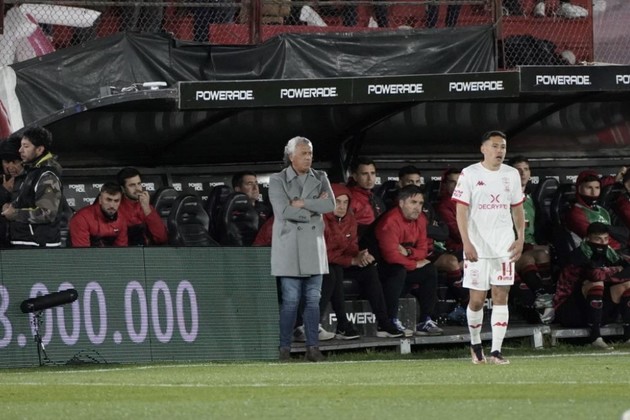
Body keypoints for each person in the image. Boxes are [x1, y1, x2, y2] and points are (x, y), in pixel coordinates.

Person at [453, 130, 525, 365]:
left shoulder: (511, 174)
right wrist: (466, 242)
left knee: (501, 295)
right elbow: (461, 210)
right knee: (477, 299)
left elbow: (517, 208)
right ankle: (475, 345)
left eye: (503, 146)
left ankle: (496, 351)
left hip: (504, 245)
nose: (499, 151)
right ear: (483, 149)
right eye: (495, 146)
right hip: (477, 246)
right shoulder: (470, 173)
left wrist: (520, 238)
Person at [269, 136, 335, 362]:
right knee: (290, 300)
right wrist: (314, 209)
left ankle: (313, 348)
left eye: (310, 153)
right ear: (291, 156)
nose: (308, 158)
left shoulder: (321, 177)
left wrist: (303, 203)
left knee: (313, 300)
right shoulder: (277, 180)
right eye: (303, 154)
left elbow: (330, 205)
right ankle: (284, 349)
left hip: (314, 247)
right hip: (289, 248)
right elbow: (283, 211)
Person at [322, 183, 403, 339]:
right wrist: (352, 260)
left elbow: (351, 247)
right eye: (337, 202)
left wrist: (361, 256)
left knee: (369, 269)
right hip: (325, 264)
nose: (342, 206)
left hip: (342, 261)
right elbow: (322, 255)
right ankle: (342, 325)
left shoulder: (350, 219)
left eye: (345, 202)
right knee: (334, 270)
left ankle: (383, 323)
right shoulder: (320, 219)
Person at [375, 184, 443, 337]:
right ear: (401, 203)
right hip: (380, 267)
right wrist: (414, 263)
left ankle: (425, 320)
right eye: (413, 202)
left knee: (429, 270)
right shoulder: (390, 221)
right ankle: (389, 321)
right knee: (397, 270)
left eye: (420, 203)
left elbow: (423, 249)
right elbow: (391, 256)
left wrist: (408, 252)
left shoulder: (421, 219)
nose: (418, 208)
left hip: (404, 263)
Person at [553, 222, 630, 349]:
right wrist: (617, 269)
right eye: (598, 239)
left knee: (627, 285)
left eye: (605, 239)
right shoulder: (578, 255)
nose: (602, 243)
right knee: (596, 283)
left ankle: (628, 337)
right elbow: (594, 275)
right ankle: (595, 338)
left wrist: (612, 271)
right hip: (569, 311)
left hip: (596, 310)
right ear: (588, 239)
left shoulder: (610, 254)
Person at [508, 156, 554, 324]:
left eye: (526, 169)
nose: (522, 173)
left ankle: (546, 298)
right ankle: (542, 294)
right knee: (531, 256)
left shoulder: (531, 199)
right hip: (510, 250)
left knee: (543, 254)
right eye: (518, 170)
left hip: (531, 248)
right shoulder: (502, 199)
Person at [1, 126, 63, 248]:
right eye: (21, 146)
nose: (20, 150)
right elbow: (24, 202)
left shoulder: (47, 175)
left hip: (38, 246)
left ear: (39, 149)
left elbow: (47, 213)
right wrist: (8, 206)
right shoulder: (32, 171)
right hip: (24, 242)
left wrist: (15, 214)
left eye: (26, 146)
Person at [566, 170, 625, 252]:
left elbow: (602, 183)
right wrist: (621, 248)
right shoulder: (576, 213)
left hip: (613, 249)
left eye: (597, 188)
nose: (594, 192)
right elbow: (595, 238)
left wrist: (615, 178)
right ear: (579, 189)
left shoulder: (601, 210)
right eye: (589, 188)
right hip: (595, 253)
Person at [116, 167, 168, 246]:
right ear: (123, 189)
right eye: (132, 185)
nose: (137, 188)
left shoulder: (146, 206)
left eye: (139, 184)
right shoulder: (116, 207)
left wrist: (147, 209)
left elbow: (162, 238)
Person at [69, 182, 128, 247]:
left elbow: (122, 250)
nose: (112, 205)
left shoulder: (121, 219)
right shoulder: (81, 218)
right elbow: (82, 252)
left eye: (116, 201)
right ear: (100, 200)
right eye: (108, 200)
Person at [348, 157, 385, 239]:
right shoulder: (349, 199)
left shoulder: (375, 198)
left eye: (372, 173)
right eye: (364, 174)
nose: (370, 178)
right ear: (355, 176)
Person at [0, 136, 24, 247]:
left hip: (23, 242)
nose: (10, 166)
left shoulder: (35, 178)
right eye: (6, 162)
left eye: (15, 162)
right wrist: (4, 191)